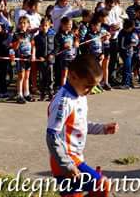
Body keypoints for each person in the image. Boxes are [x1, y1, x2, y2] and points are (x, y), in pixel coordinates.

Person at [46, 54, 117, 197]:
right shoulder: (63, 102)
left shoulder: (80, 96)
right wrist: (67, 164)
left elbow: (79, 125)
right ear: (72, 76)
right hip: (66, 160)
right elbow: (51, 136)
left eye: (94, 87)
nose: (90, 91)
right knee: (101, 184)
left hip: (75, 158)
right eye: (88, 86)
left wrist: (102, 128)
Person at [11, 16, 35, 104]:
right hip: (20, 57)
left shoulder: (29, 34)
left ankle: (27, 93)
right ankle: (19, 94)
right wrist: (18, 41)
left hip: (28, 57)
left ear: (28, 24)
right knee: (21, 76)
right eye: (21, 23)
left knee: (27, 76)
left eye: (24, 23)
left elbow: (33, 46)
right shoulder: (16, 34)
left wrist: (33, 55)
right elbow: (14, 47)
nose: (22, 25)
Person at [34, 17, 56, 101]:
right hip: (41, 60)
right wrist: (38, 56)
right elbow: (35, 49)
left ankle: (50, 94)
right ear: (40, 26)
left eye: (46, 25)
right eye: (43, 25)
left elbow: (56, 47)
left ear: (49, 26)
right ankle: (42, 94)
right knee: (42, 78)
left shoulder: (53, 36)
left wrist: (52, 54)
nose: (44, 27)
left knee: (50, 78)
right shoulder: (37, 38)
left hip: (50, 60)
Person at [55, 17, 77, 87]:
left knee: (72, 74)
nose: (70, 26)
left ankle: (71, 87)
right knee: (64, 74)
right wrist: (64, 46)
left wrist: (76, 43)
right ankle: (63, 89)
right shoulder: (59, 35)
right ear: (63, 25)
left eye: (71, 24)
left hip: (72, 57)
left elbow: (76, 41)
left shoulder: (72, 34)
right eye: (69, 24)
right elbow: (57, 46)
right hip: (64, 58)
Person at [117, 19, 139, 89]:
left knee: (129, 68)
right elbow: (122, 45)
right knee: (127, 68)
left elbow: (136, 40)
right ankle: (126, 83)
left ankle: (129, 82)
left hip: (131, 52)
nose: (132, 29)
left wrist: (135, 43)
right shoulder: (122, 33)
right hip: (125, 53)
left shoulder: (132, 31)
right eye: (131, 27)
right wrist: (130, 45)